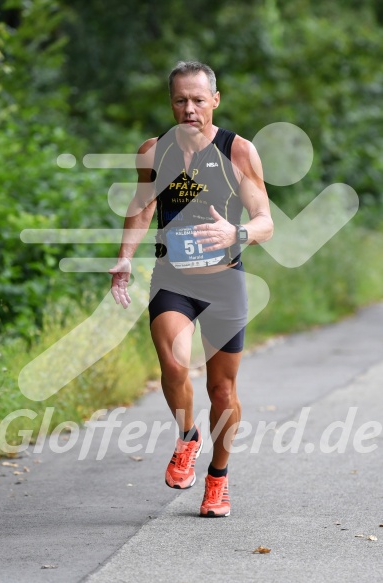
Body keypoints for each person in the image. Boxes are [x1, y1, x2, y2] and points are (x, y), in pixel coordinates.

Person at [109, 61, 273, 517]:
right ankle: (187, 438)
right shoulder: (154, 151)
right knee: (174, 364)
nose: (189, 108)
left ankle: (218, 478)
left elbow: (265, 222)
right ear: (171, 102)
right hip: (173, 278)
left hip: (225, 282)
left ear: (215, 101)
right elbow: (141, 209)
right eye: (181, 99)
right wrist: (124, 256)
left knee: (222, 392)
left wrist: (236, 235)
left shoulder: (238, 151)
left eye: (199, 99)